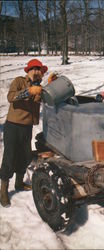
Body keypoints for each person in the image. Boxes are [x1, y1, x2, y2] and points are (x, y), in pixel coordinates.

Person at [0, 59, 48, 207]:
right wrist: (28, 91)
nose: (36, 71)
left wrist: (51, 85)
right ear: (28, 71)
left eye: (38, 69)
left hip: (27, 127)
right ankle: (3, 191)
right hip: (13, 126)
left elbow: (48, 100)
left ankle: (19, 183)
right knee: (10, 157)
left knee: (25, 155)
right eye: (33, 69)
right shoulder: (19, 81)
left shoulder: (40, 87)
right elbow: (11, 97)